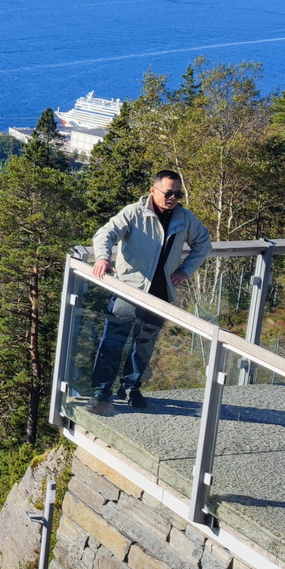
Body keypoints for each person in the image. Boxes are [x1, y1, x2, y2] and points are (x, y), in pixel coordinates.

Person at [87, 169, 212, 413]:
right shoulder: (134, 213)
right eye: (168, 193)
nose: (173, 198)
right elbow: (105, 233)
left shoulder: (185, 218)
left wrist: (185, 271)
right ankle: (101, 391)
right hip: (128, 291)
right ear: (153, 190)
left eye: (178, 194)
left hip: (160, 296)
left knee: (144, 344)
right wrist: (102, 257)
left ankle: (131, 387)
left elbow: (203, 243)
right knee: (112, 342)